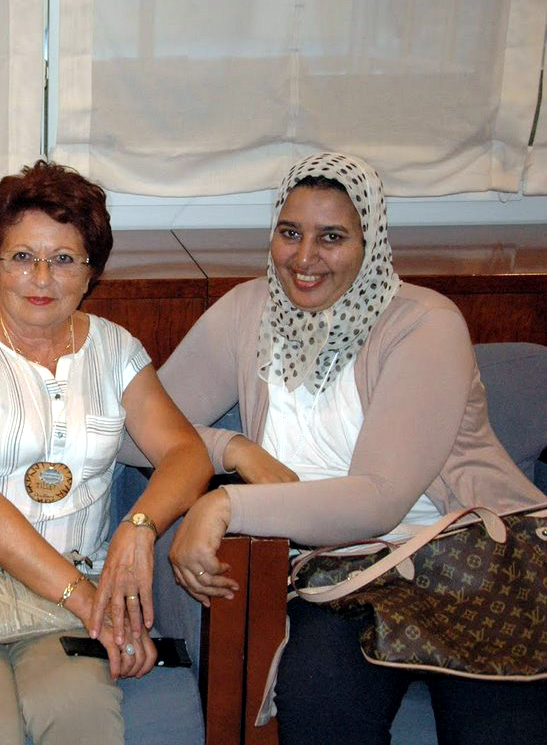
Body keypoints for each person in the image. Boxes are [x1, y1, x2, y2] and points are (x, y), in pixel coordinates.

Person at [161, 152, 547, 744]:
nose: (304, 258)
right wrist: (232, 448)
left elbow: (380, 501)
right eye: (290, 232)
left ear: (371, 242)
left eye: (332, 237)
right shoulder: (248, 311)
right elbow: (140, 431)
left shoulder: (424, 323)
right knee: (318, 704)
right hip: (334, 574)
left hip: (466, 559)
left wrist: (226, 505)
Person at [0, 160, 212, 743]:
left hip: (70, 585)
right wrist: (91, 604)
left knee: (84, 721)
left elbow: (187, 452)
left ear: (91, 271)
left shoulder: (115, 350)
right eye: (22, 256)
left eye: (64, 259)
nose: (42, 278)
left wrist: (139, 526)